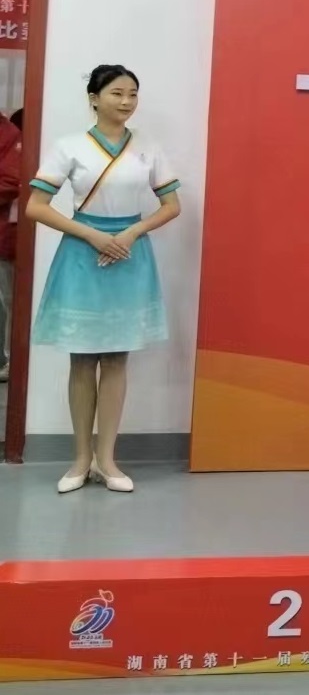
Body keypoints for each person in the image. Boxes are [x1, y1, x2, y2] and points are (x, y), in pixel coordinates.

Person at [27, 67, 182, 494]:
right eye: (117, 93)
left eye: (133, 94)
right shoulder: (69, 146)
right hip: (82, 254)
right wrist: (93, 235)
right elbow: (37, 206)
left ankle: (107, 460)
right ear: (94, 98)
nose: (127, 101)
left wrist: (131, 233)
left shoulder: (148, 147)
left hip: (130, 255)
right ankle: (80, 460)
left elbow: (171, 205)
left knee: (116, 359)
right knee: (82, 359)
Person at [0, 108, 21, 383]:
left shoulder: (8, 134)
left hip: (4, 234)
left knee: (7, 299)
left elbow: (10, 182)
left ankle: (8, 359)